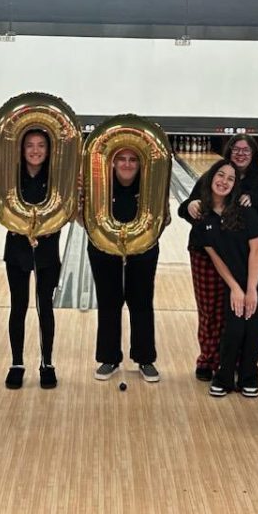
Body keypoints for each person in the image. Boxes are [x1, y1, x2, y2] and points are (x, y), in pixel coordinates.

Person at [178, 134, 258, 382]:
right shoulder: (212, 177)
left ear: (253, 155)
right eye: (236, 149)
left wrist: (255, 202)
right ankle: (207, 358)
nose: (241, 154)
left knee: (232, 312)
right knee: (210, 310)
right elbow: (185, 208)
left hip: (238, 254)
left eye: (247, 150)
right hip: (206, 252)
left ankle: (231, 360)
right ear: (228, 151)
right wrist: (190, 205)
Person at [199, 160, 258, 398]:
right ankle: (223, 378)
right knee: (234, 328)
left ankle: (249, 377)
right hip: (236, 280)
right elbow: (216, 258)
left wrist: (251, 290)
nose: (224, 181)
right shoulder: (203, 217)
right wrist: (236, 288)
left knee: (253, 327)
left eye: (230, 178)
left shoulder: (244, 210)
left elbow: (257, 250)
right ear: (210, 177)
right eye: (220, 175)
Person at [89, 148, 162, 383]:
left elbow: (164, 218)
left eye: (133, 159)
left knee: (141, 301)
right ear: (112, 162)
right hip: (103, 248)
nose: (127, 164)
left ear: (141, 164)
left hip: (143, 249)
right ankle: (108, 358)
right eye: (121, 159)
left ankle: (145, 358)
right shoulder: (99, 184)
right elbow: (85, 219)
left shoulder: (151, 185)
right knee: (109, 301)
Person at [1, 129, 62, 390]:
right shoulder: (9, 176)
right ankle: (17, 363)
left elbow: (66, 212)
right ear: (21, 149)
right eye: (29, 145)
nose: (35, 150)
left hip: (48, 250)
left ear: (48, 150)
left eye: (41, 146)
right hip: (16, 249)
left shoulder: (58, 177)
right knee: (18, 306)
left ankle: (47, 362)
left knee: (44, 306)